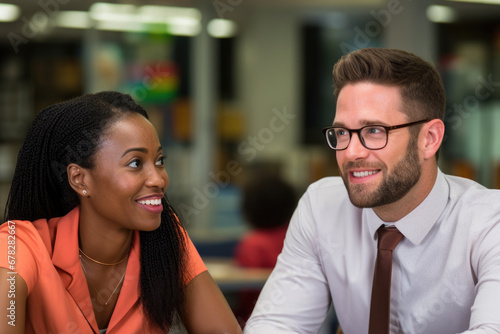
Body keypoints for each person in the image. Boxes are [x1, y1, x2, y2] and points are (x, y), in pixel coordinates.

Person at [244, 48, 500, 333]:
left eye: (375, 131)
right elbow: (277, 323)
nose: (351, 152)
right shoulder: (321, 207)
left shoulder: (489, 222)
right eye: (342, 133)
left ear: (429, 138)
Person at [0, 91, 242, 334]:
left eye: (159, 161)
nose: (158, 179)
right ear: (79, 179)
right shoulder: (17, 244)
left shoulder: (167, 238)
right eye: (135, 163)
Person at [233, 172, 297, 324]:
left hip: (255, 320)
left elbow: (247, 295)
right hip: (294, 320)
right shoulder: (295, 237)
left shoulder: (252, 244)